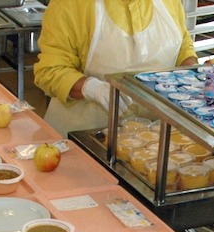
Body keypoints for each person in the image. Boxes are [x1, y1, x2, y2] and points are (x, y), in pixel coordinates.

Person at [34, 0, 199, 137]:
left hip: (154, 138)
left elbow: (183, 46)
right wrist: (92, 88)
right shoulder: (71, 5)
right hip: (85, 136)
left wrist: (194, 73)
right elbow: (50, 70)